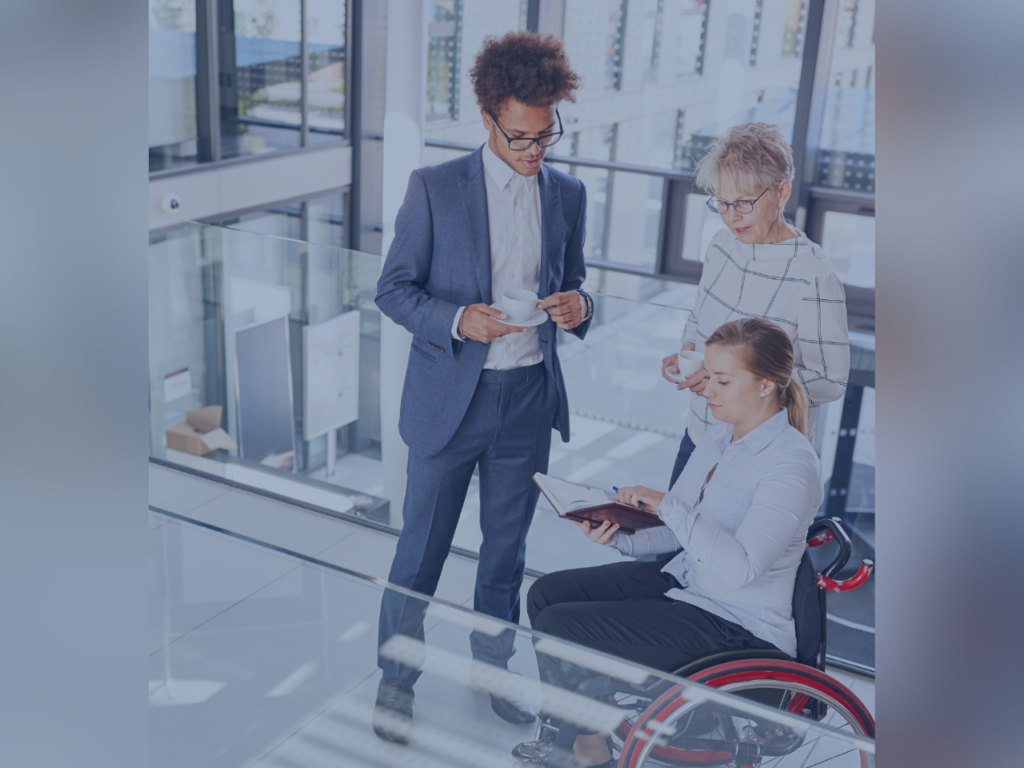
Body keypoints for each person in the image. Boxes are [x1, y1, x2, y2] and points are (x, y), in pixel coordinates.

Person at [372, 31, 593, 743]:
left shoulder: (567, 193)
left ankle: (493, 675)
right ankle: (396, 682)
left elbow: (578, 284)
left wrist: (581, 307)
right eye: (522, 136)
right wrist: (459, 318)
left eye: (546, 134)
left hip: (527, 400)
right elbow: (394, 291)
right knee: (420, 557)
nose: (536, 150)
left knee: (505, 559)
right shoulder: (434, 189)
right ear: (488, 117)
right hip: (448, 404)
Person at [513, 318, 824, 768]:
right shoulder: (719, 438)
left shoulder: (792, 465)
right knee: (545, 594)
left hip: (737, 623)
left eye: (721, 380)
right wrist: (619, 534)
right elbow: (679, 533)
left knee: (563, 625)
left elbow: (740, 568)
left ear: (766, 385)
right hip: (692, 585)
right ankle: (585, 730)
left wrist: (670, 506)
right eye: (708, 376)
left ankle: (584, 745)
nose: (707, 389)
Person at [662, 122, 849, 488]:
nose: (732, 216)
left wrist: (746, 385)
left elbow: (831, 379)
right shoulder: (719, 245)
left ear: (782, 192)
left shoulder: (813, 275)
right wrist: (689, 351)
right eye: (722, 203)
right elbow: (699, 316)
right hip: (701, 436)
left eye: (745, 202)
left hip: (760, 458)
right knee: (671, 543)